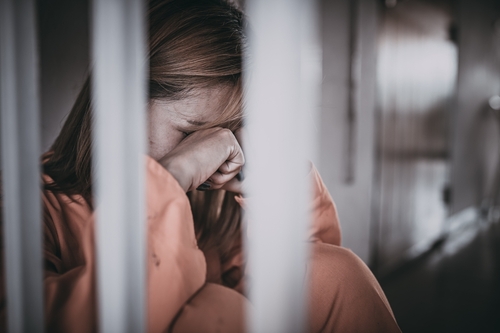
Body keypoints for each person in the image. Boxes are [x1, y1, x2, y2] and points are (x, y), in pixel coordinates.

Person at [5, 0, 401, 332]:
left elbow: (311, 275)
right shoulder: (28, 206)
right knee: (214, 312)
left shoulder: (214, 198)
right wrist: (168, 179)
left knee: (338, 273)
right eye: (192, 133)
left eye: (226, 134)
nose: (214, 153)